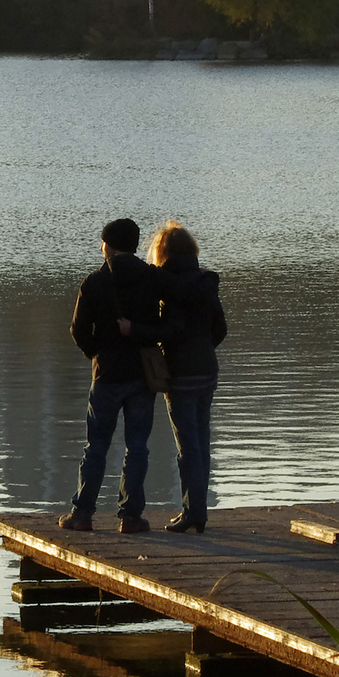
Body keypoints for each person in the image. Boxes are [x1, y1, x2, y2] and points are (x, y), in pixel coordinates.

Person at [64, 218, 160, 533]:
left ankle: (82, 515)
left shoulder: (94, 282)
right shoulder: (151, 279)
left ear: (109, 245)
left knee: (97, 445)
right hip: (142, 375)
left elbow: (78, 331)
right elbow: (164, 322)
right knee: (138, 446)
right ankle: (130, 516)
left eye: (103, 242)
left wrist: (97, 352)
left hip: (106, 375)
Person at [133, 221, 225, 533]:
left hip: (181, 374)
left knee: (188, 447)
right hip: (207, 370)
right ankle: (196, 510)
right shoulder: (206, 283)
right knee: (201, 440)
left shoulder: (166, 286)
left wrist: (142, 334)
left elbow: (170, 329)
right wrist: (202, 348)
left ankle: (193, 512)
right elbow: (220, 329)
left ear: (162, 251)